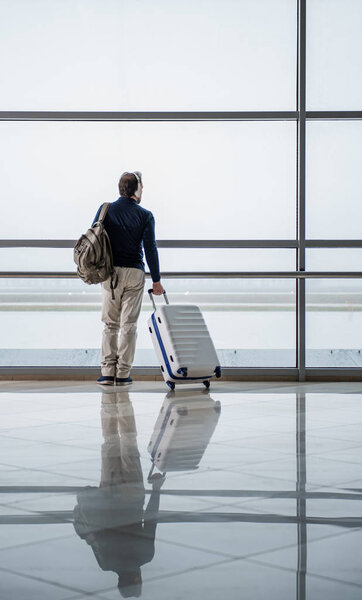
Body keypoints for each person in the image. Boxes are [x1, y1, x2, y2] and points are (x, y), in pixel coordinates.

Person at [73, 391, 165, 598]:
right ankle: (108, 399)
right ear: (119, 582)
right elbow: (94, 534)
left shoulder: (145, 556)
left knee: (129, 442)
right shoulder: (106, 563)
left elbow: (151, 520)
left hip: (132, 497)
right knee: (110, 442)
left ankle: (122, 399)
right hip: (107, 492)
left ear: (136, 579)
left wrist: (156, 489)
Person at [93, 172, 165, 386]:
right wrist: (157, 280)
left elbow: (95, 238)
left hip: (111, 272)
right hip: (134, 272)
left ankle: (107, 372)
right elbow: (150, 249)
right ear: (137, 189)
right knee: (129, 325)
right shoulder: (145, 215)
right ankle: (123, 374)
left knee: (110, 324)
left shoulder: (106, 210)